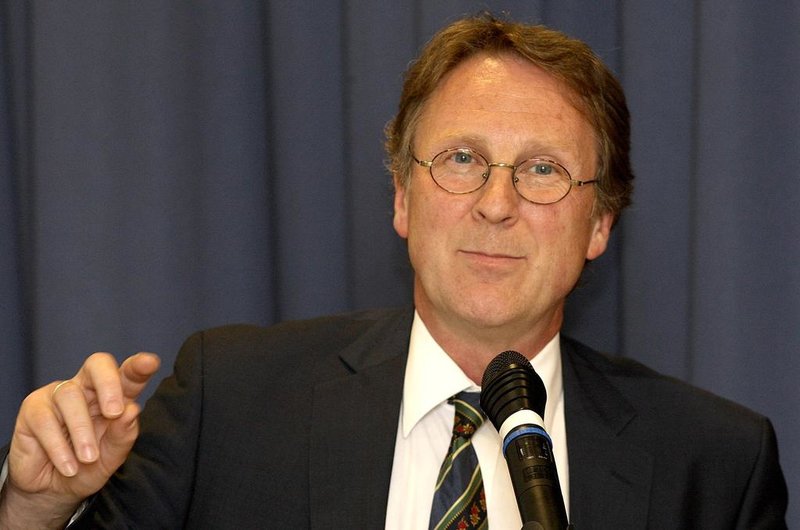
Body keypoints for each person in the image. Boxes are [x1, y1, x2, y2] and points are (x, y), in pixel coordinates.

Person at [0, 13, 787, 529]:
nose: (496, 204)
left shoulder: (713, 465)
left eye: (543, 170)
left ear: (601, 223)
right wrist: (33, 508)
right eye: (462, 159)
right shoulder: (228, 404)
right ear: (404, 198)